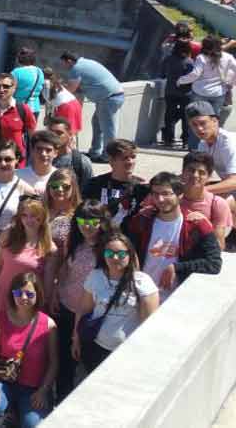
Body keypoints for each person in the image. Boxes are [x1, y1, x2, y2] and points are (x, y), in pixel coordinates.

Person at [122, 172, 221, 303]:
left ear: (180, 195)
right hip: (141, 297)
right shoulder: (142, 220)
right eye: (155, 194)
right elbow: (124, 247)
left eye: (166, 193)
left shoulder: (197, 225)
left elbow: (214, 263)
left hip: (176, 301)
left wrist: (177, 267)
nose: (160, 199)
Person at [50, 201, 112, 402]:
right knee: (64, 360)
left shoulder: (112, 246)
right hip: (68, 307)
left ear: (102, 221)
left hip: (94, 315)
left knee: (91, 363)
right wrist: (55, 293)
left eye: (93, 220)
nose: (87, 225)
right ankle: (61, 401)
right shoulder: (74, 241)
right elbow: (64, 269)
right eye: (82, 220)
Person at [0, 272, 58, 427]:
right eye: (18, 293)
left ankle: (14, 412)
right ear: (12, 294)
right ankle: (5, 413)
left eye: (29, 294)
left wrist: (43, 391)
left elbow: (54, 363)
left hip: (33, 389)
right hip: (5, 382)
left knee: (33, 424)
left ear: (38, 295)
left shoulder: (49, 324)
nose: (24, 298)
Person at [73, 232, 158, 373]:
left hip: (128, 353)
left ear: (130, 255)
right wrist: (76, 338)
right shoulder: (95, 276)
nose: (115, 258)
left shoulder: (143, 282)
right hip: (96, 349)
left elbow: (148, 326)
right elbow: (84, 310)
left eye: (121, 254)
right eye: (109, 253)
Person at [0, 195, 56, 316]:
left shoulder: (49, 248)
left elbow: (48, 285)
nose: (29, 220)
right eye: (24, 215)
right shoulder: (8, 234)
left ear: (43, 217)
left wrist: (41, 309)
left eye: (34, 216)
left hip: (25, 302)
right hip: (1, 295)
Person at [59, 51, 124, 163]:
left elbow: (71, 90)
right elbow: (80, 89)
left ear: (69, 61)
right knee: (97, 124)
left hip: (108, 99)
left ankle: (109, 156)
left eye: (64, 63)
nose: (64, 66)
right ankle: (95, 152)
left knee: (108, 129)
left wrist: (58, 87)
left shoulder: (76, 68)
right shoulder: (85, 62)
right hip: (112, 96)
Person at [177, 36, 236, 137]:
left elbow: (195, 74)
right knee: (213, 121)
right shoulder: (228, 57)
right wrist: (230, 83)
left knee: (196, 120)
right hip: (218, 93)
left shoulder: (202, 57)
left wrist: (181, 80)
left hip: (200, 92)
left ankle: (195, 148)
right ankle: (211, 146)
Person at [82, 139, 149, 227]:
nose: (130, 161)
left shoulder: (142, 188)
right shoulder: (94, 184)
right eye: (124, 158)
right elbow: (83, 216)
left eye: (133, 157)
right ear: (111, 160)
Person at [0, 72, 37, 166]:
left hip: (15, 163)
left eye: (6, 86)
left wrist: (34, 160)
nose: (1, 90)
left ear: (14, 88)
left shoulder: (23, 109)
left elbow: (33, 137)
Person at [185, 102, 236, 200]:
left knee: (220, 202)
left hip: (233, 187)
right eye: (194, 125)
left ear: (215, 121)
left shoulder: (229, 142)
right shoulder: (203, 144)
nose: (199, 128)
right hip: (231, 189)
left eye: (203, 123)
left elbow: (234, 182)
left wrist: (200, 190)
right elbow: (201, 173)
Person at [180, 151, 232, 244]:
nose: (195, 175)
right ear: (183, 173)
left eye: (201, 172)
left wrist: (204, 224)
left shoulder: (217, 204)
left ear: (209, 177)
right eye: (191, 170)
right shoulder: (172, 199)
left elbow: (219, 245)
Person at [160, 39, 195, 148]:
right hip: (186, 93)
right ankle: (185, 140)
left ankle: (168, 139)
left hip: (170, 91)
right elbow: (192, 78)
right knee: (186, 117)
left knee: (169, 115)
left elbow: (162, 74)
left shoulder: (168, 59)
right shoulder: (189, 62)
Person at [47, 117, 93, 191]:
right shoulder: (41, 159)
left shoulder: (81, 162)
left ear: (70, 135)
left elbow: (89, 192)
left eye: (59, 133)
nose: (54, 136)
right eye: (51, 133)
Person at [16, 130, 59, 196]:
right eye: (39, 149)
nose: (43, 154)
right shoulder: (17, 176)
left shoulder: (60, 178)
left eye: (48, 150)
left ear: (56, 153)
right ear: (32, 150)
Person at [12, 47, 47, 124]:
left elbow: (10, 91)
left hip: (19, 108)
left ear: (19, 59)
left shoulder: (16, 72)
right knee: (30, 134)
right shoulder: (39, 71)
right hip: (35, 108)